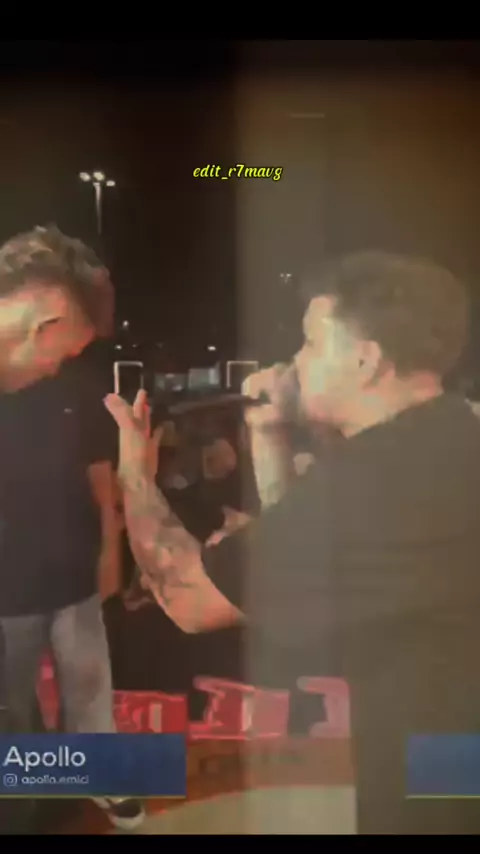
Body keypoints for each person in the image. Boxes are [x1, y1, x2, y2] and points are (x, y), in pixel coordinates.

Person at [106, 251, 480, 834]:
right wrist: (269, 436)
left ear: (365, 360)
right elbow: (307, 559)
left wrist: (133, 471)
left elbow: (189, 599)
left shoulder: (367, 485)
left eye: (311, 342)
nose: (294, 362)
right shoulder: (453, 434)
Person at [0, 225, 144, 832]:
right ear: (47, 322)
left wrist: (111, 547)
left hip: (72, 573)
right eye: (67, 348)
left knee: (89, 688)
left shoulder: (66, 386)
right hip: (6, 595)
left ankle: (94, 775)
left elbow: (97, 470)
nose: (65, 361)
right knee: (12, 712)